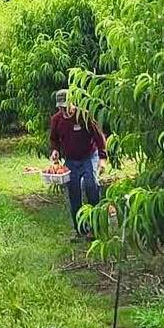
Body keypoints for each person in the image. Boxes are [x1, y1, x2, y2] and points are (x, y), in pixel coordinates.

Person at [49, 89, 107, 242]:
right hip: (71, 159)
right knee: (73, 191)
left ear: (73, 103)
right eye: (60, 107)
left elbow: (99, 136)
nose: (63, 110)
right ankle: (80, 230)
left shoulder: (84, 115)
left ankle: (96, 228)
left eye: (66, 106)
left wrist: (102, 158)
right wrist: (55, 151)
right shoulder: (57, 120)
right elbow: (54, 139)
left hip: (89, 156)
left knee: (91, 185)